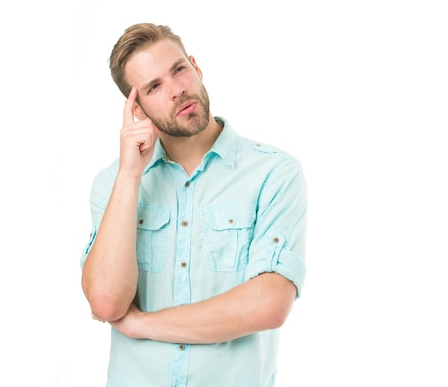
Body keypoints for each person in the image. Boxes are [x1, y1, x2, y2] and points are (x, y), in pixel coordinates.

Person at [80, 23, 308, 387]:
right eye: (154, 87)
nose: (177, 90)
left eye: (179, 69)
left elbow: (268, 304)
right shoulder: (113, 183)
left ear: (197, 68)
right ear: (135, 108)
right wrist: (130, 178)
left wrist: (140, 324)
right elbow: (106, 304)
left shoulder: (274, 173)